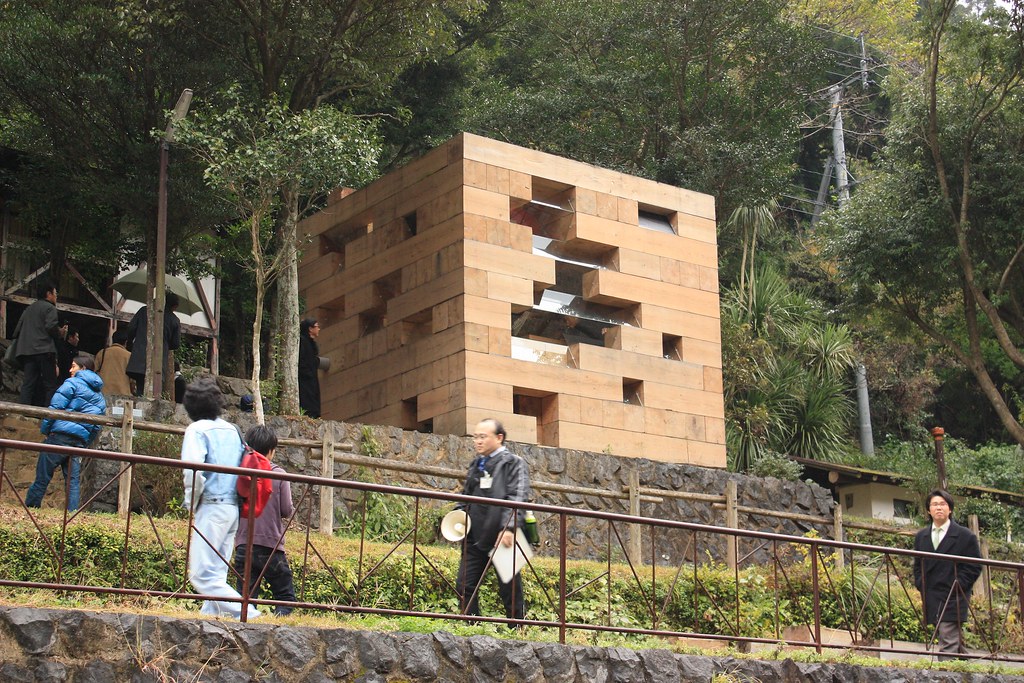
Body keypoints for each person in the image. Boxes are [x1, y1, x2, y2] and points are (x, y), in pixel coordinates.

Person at [180, 374, 259, 621]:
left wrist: (191, 503)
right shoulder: (233, 430)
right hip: (233, 509)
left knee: (201, 576)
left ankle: (248, 613)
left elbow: (193, 472)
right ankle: (210, 618)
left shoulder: (196, 430)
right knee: (216, 574)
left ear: (190, 407)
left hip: (212, 507)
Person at [456, 418, 532, 624]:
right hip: (474, 534)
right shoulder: (476, 464)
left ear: (499, 438)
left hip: (502, 535)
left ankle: (518, 630)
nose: (477, 441)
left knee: (510, 587)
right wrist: (458, 515)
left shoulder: (513, 463)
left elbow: (518, 496)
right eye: (475, 437)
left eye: (483, 437)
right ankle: (472, 630)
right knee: (464, 585)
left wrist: (508, 527)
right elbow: (466, 495)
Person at [25, 353, 106, 511]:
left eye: (73, 366)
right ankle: (72, 516)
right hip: (78, 441)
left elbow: (55, 409)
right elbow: (96, 426)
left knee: (43, 475)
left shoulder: (72, 383)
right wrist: (84, 442)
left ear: (83, 368)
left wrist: (46, 429)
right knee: (72, 482)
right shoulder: (100, 397)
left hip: (59, 435)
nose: (70, 370)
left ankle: (31, 509)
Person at [233, 425, 296, 616]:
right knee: (284, 596)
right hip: (271, 546)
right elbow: (286, 509)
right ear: (271, 451)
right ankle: (280, 624)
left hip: (244, 543)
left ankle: (244, 627)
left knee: (246, 597)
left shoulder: (239, 471)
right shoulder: (278, 474)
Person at [913, 489, 982, 660]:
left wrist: (959, 584)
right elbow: (917, 564)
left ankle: (946, 675)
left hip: (954, 595)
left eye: (943, 504)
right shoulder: (922, 536)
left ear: (950, 509)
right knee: (949, 637)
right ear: (928, 510)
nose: (939, 508)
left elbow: (975, 566)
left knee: (947, 637)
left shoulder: (965, 536)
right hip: (931, 593)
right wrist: (921, 583)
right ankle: (969, 672)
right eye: (934, 504)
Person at [12, 281, 61, 407]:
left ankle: (22, 412)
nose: (56, 296)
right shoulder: (50, 308)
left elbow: (17, 330)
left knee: (28, 384)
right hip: (45, 350)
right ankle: (47, 416)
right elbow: (51, 327)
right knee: (50, 385)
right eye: (55, 293)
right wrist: (60, 332)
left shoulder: (29, 308)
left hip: (27, 351)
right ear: (48, 294)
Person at [125, 292, 181, 396]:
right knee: (154, 391)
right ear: (175, 306)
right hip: (158, 360)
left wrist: (131, 342)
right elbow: (176, 344)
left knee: (140, 388)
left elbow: (131, 328)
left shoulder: (144, 310)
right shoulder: (174, 320)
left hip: (139, 357)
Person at [94, 329, 133, 396]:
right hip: (123, 394)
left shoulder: (102, 353)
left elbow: (94, 373)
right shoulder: (129, 356)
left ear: (113, 340)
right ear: (126, 342)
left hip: (103, 393)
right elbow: (133, 379)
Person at [298, 318, 322, 418]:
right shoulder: (302, 341)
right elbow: (301, 361)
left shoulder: (311, 343)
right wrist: (307, 373)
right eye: (317, 326)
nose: (319, 329)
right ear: (310, 329)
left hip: (312, 379)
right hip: (305, 379)